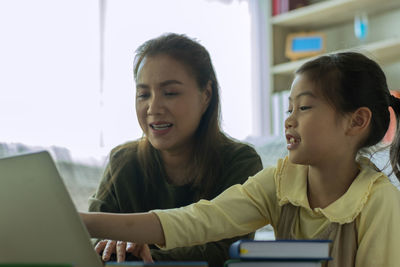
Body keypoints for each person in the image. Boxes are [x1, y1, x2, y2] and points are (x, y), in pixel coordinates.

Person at [80, 52, 400, 267]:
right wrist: (78, 220)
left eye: (303, 108)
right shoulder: (280, 180)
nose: (288, 121)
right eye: (289, 109)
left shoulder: (379, 201)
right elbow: (200, 219)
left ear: (356, 121)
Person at [88, 33, 263, 266]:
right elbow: (90, 241)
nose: (153, 107)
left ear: (206, 95)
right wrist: (112, 247)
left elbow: (226, 251)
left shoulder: (240, 162)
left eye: (170, 93)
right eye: (143, 94)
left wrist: (142, 255)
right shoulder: (123, 161)